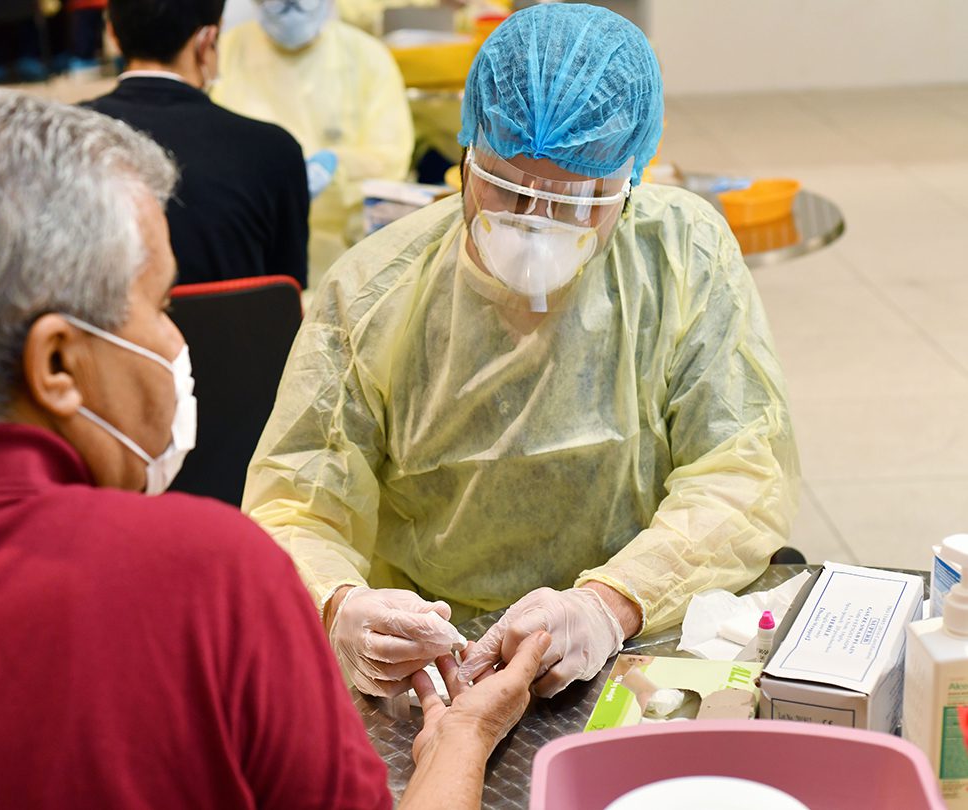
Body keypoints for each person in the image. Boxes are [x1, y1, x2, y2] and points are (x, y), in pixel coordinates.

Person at [0, 87, 543, 810]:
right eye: (156, 304)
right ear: (56, 366)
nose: (175, 340)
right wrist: (461, 739)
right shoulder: (205, 581)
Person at [244, 4, 800, 701]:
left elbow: (741, 468)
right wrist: (340, 606)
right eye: (503, 190)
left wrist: (609, 601)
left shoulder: (679, 255)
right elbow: (296, 503)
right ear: (466, 149)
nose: (534, 227)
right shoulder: (375, 290)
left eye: (574, 202)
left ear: (629, 179)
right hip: (432, 665)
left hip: (637, 641)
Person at [83, 0, 309, 288]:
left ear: (112, 34)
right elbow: (286, 294)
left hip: (106, 333)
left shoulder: (63, 137)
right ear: (207, 41)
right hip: (236, 333)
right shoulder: (275, 150)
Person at [213, 0, 414, 283]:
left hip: (346, 260)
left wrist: (334, 167)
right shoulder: (224, 54)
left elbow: (391, 157)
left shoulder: (367, 57)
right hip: (247, 256)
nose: (290, 7)